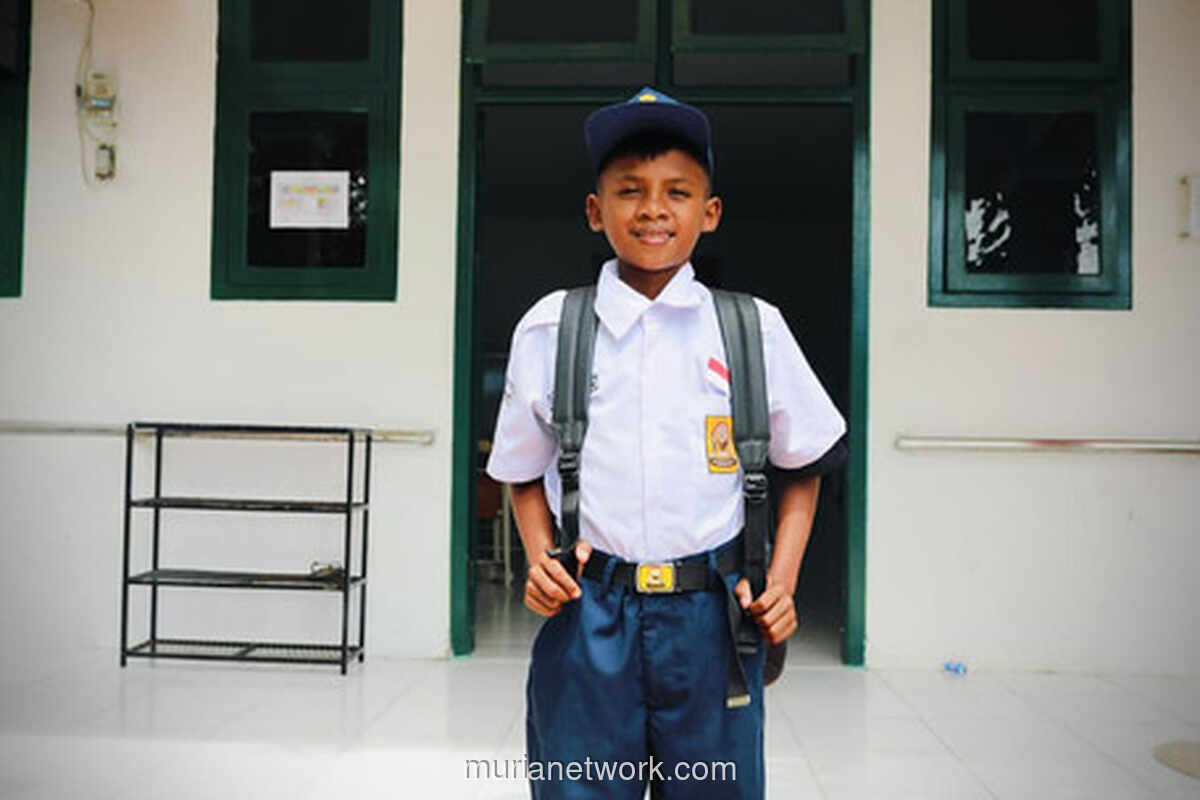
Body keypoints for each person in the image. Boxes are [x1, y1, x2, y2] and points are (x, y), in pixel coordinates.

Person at [486, 87, 846, 800]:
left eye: (677, 191)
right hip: (588, 615)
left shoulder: (751, 329)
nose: (653, 208)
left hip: (712, 622)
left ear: (708, 214)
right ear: (596, 211)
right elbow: (522, 472)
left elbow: (806, 464)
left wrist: (782, 581)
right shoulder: (551, 330)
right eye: (629, 191)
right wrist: (538, 559)